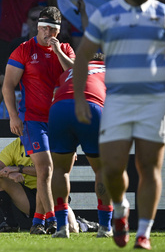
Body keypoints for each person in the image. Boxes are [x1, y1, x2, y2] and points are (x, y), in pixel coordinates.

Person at [72, 0, 165, 250]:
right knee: (113, 168)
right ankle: (120, 208)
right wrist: (79, 97)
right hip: (117, 100)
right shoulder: (106, 13)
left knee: (149, 166)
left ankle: (144, 233)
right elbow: (82, 57)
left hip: (155, 100)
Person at [2, 6, 75, 235]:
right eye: (43, 28)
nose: (46, 33)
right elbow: (8, 85)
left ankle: (37, 222)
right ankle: (52, 219)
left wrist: (58, 52)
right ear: (37, 27)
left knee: (56, 172)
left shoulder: (65, 49)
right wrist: (13, 116)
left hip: (60, 119)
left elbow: (75, 75)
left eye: (51, 29)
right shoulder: (24, 50)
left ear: (58, 31)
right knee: (45, 169)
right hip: (32, 119)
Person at [48, 53, 113, 238]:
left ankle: (61, 227)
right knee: (102, 170)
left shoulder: (71, 69)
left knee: (60, 170)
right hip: (90, 106)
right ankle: (105, 227)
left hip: (59, 108)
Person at [0, 138, 90, 234]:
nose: (22, 130)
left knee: (72, 229)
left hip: (52, 197)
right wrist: (11, 174)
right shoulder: (16, 145)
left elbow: (51, 170)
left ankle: (82, 224)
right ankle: (10, 224)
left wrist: (19, 169)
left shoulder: (49, 142)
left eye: (26, 126)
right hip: (29, 198)